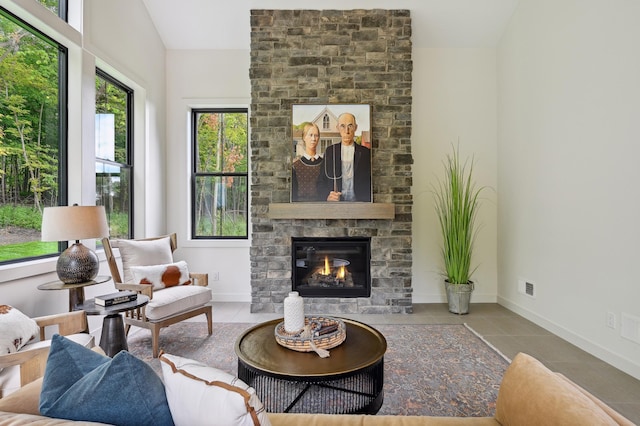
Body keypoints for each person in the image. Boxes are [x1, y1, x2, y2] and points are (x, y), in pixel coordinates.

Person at [317, 112, 371, 202]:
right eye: (342, 126)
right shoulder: (330, 151)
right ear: (337, 128)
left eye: (350, 126)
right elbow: (321, 181)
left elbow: (370, 182)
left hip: (360, 205)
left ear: (356, 128)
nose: (347, 131)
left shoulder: (365, 153)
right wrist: (327, 196)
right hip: (337, 205)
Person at [292, 123, 324, 201]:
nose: (313, 139)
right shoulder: (295, 166)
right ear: (304, 137)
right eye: (310, 135)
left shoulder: (325, 164)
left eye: (316, 135)